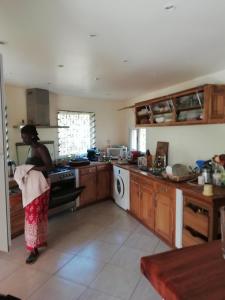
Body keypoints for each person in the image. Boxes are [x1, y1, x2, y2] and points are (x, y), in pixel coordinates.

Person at [20, 124, 52, 264]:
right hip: (32, 187)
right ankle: (37, 243)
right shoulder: (30, 148)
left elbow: (49, 166)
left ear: (32, 135)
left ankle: (34, 249)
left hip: (40, 187)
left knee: (35, 216)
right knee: (33, 217)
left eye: (24, 136)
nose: (23, 139)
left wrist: (32, 168)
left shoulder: (40, 148)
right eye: (22, 137)